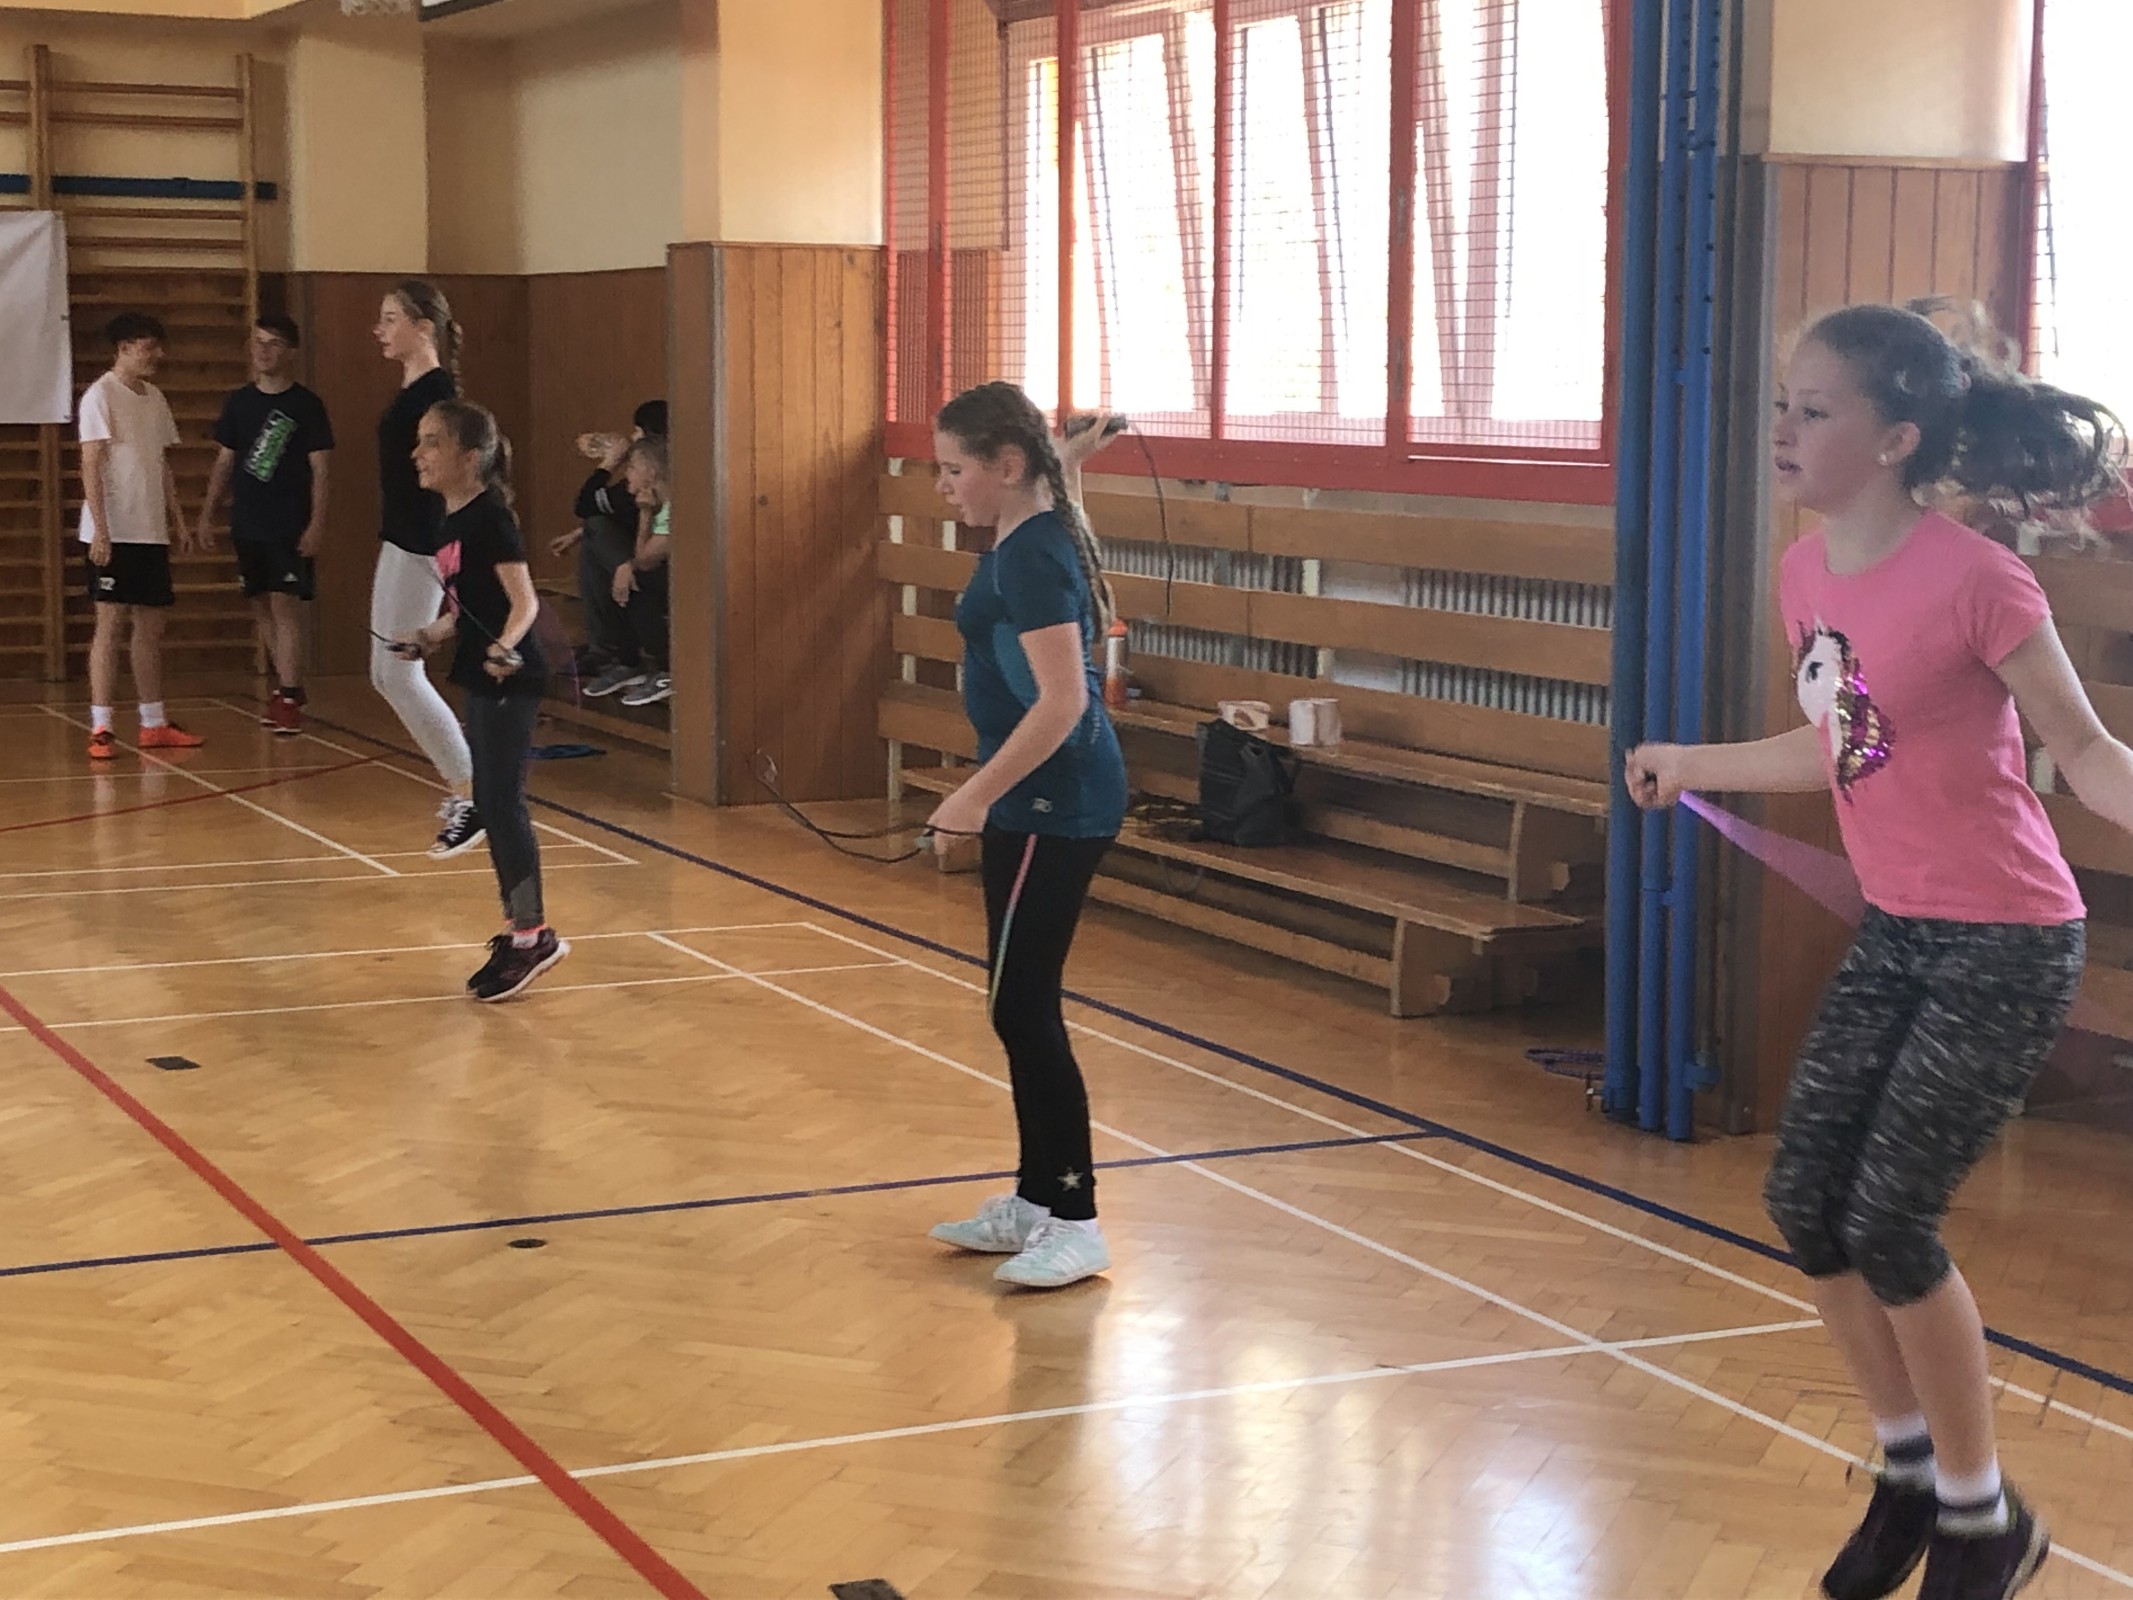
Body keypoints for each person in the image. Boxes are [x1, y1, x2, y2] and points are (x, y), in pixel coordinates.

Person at [1626, 301, 2130, 1600]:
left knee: (1891, 1219)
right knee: (1807, 1201)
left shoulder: (1979, 580)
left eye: (1815, 410)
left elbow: (2081, 752)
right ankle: (1911, 1473)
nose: (1784, 429)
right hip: (1903, 927)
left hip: (2006, 942)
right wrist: (1693, 762)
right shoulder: (1807, 574)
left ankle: (1981, 1515)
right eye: (1782, 405)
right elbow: (1839, 744)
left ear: (1897, 439)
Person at [921, 386, 1129, 1292]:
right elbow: (1055, 516)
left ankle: (1075, 1220)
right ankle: (1035, 1198)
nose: (941, 486)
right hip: (1028, 800)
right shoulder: (1032, 525)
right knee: (1017, 1004)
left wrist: (971, 797)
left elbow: (1064, 702)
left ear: (1005, 466)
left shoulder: (1034, 557)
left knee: (1023, 1008)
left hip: (1055, 802)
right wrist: (1066, 464)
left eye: (952, 469)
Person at [396, 398, 568, 1002]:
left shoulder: (492, 518)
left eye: (432, 442)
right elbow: (464, 608)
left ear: (469, 457)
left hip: (508, 679)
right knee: (491, 803)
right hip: (480, 673)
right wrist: (428, 636)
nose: (418, 453)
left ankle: (531, 936)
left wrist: (503, 647)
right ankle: (523, 930)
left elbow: (524, 602)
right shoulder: (450, 521)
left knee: (500, 804)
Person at [372, 280, 481, 857]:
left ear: (423, 328)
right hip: (401, 540)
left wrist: (450, 548)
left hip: (423, 544)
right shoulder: (413, 390)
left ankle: (472, 791)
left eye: (391, 319)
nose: (380, 330)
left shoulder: (438, 396)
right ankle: (468, 787)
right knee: (386, 672)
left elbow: (458, 477)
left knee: (397, 672)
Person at [199, 314, 334, 736]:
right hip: (247, 522)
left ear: (290, 352)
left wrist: (316, 523)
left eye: (273, 343)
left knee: (284, 605)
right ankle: (287, 684)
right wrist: (207, 513)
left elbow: (321, 470)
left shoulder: (306, 405)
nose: (263, 351)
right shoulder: (239, 402)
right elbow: (224, 462)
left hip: (288, 523)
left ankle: (289, 695)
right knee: (261, 606)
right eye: (258, 342)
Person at [79, 311, 203, 759]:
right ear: (125, 347)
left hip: (151, 531)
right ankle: (101, 726)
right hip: (114, 532)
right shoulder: (100, 395)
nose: (158, 355)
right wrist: (101, 530)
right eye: (150, 347)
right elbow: (91, 463)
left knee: (150, 628)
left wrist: (179, 521)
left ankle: (153, 722)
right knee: (109, 625)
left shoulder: (155, 398)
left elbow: (161, 463)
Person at [555, 400, 667, 698]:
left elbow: (585, 505)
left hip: (667, 571)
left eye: (637, 433)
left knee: (627, 569)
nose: (632, 440)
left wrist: (609, 463)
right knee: (594, 538)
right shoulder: (645, 491)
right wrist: (580, 534)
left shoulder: (669, 491)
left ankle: (634, 659)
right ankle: (615, 655)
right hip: (646, 556)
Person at [613, 433, 672, 708]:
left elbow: (645, 560)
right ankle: (628, 662)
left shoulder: (674, 506)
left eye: (632, 467)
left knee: (637, 578)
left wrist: (645, 514)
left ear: (651, 472)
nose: (627, 474)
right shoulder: (661, 505)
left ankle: (668, 668)